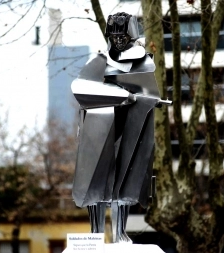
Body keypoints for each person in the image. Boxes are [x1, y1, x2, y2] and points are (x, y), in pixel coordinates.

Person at [71, 12, 171, 243]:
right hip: (99, 129)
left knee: (125, 180)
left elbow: (149, 93)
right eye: (114, 35)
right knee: (94, 181)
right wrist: (120, 95)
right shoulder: (99, 61)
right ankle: (95, 233)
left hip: (130, 129)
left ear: (131, 34)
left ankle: (119, 232)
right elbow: (81, 88)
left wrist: (143, 100)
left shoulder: (144, 62)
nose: (117, 40)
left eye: (122, 35)